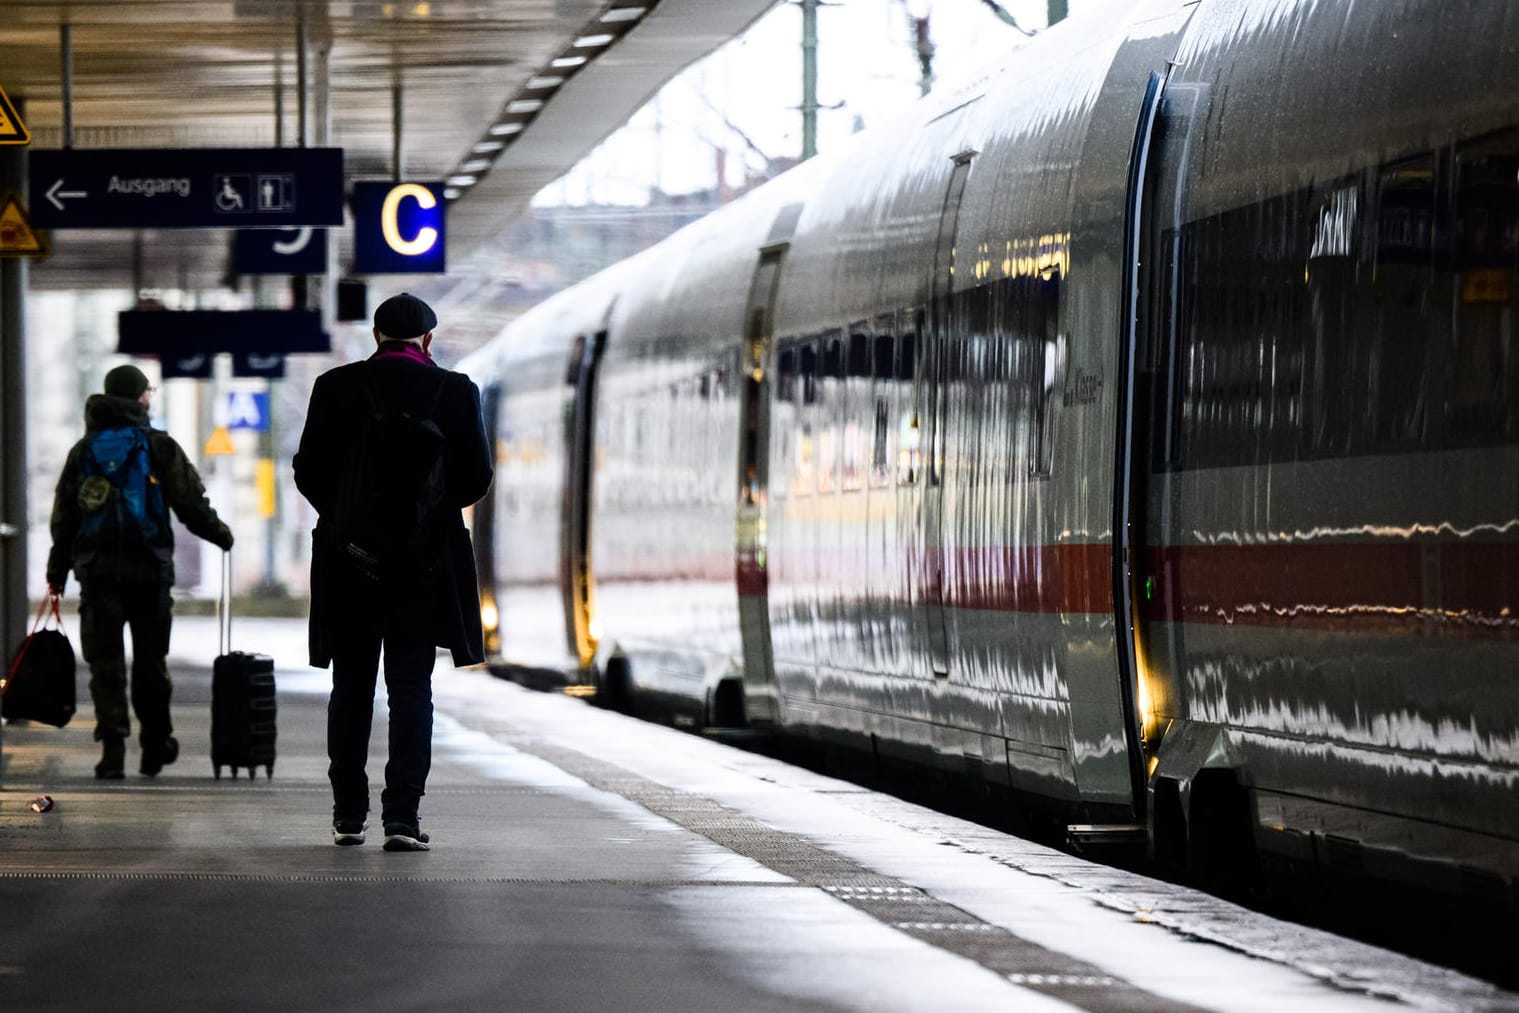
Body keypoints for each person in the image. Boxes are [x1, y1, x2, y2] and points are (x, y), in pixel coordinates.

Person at [293, 292, 493, 852]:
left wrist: (346, 522)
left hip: (348, 565)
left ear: (375, 336)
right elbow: (475, 479)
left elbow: (308, 470)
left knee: (351, 687)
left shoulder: (335, 386)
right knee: (411, 688)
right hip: (424, 567)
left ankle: (347, 815)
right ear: (428, 341)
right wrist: (424, 517)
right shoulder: (455, 391)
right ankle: (402, 817)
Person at [46, 364, 235, 779]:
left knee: (105, 663)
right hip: (149, 570)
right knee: (151, 661)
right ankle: (155, 744)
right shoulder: (158, 445)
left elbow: (65, 516)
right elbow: (190, 503)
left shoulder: (84, 450)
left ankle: (112, 749)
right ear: (140, 397)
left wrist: (57, 569)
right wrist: (220, 535)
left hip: (97, 572)